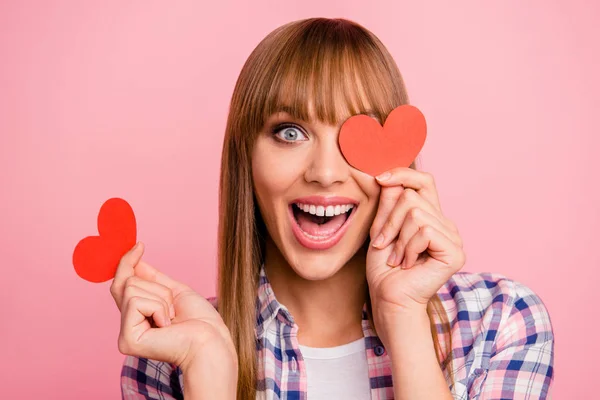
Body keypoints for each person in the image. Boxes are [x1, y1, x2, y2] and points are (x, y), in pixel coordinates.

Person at [110, 18, 554, 400]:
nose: (325, 172)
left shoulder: (499, 322)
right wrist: (209, 372)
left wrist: (404, 318)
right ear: (246, 158)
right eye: (289, 132)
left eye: (354, 135)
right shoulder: (170, 356)